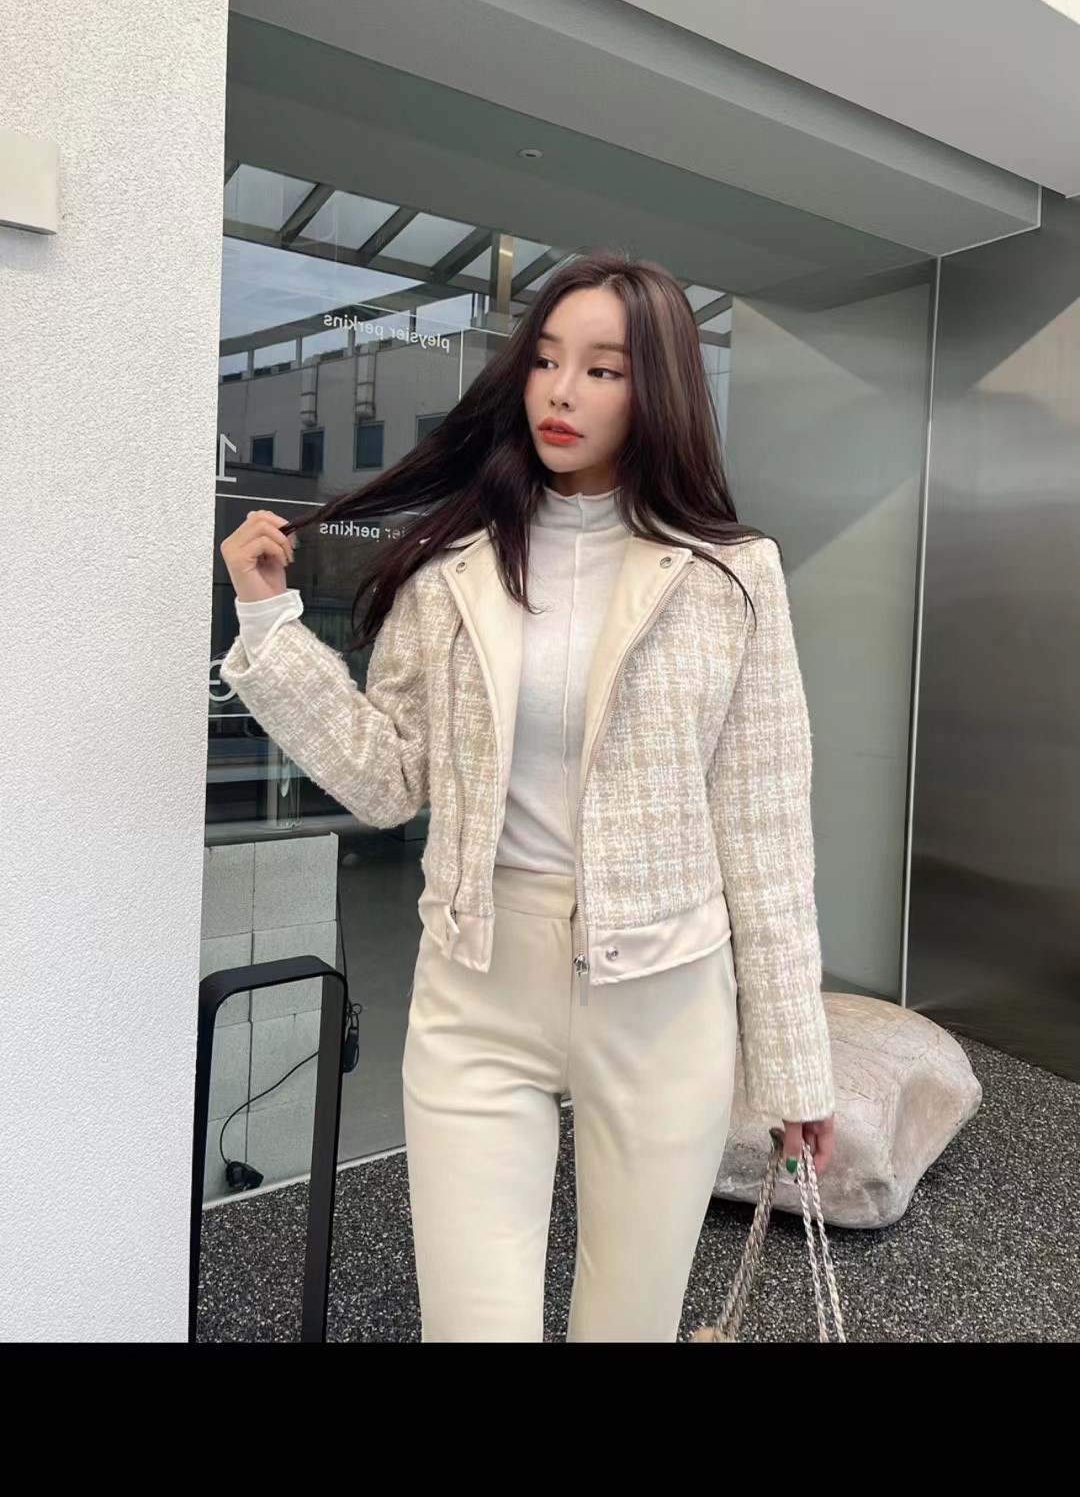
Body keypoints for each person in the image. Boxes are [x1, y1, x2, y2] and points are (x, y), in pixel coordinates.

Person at [218, 249, 835, 1342]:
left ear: (659, 389)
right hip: (478, 988)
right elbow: (387, 779)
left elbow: (765, 831)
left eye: (603, 369)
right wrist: (270, 624)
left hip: (662, 1003)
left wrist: (795, 1066)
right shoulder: (452, 563)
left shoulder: (731, 575)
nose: (562, 391)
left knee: (628, 1322)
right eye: (547, 360)